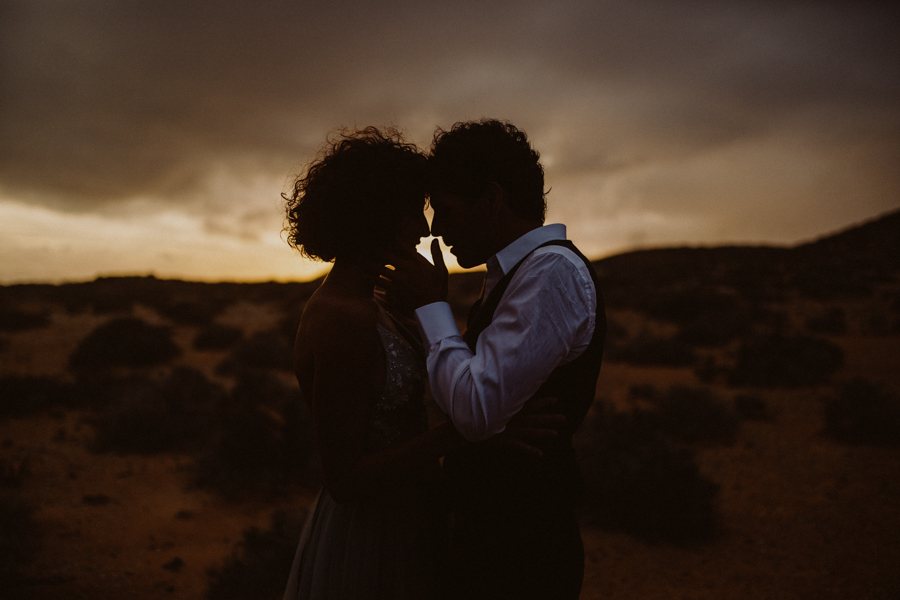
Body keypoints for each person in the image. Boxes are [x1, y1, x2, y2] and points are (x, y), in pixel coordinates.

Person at [281, 126, 559, 600]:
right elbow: (345, 480)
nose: (426, 228)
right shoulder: (341, 318)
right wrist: (473, 430)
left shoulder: (381, 303)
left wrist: (434, 309)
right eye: (413, 211)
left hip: (416, 518)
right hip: (371, 541)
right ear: (375, 215)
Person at [381, 119, 607, 600]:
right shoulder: (516, 275)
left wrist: (430, 308)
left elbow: (476, 407)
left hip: (522, 550)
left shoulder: (551, 273)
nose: (436, 230)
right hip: (494, 538)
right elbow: (476, 400)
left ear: (491, 196)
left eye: (444, 210)